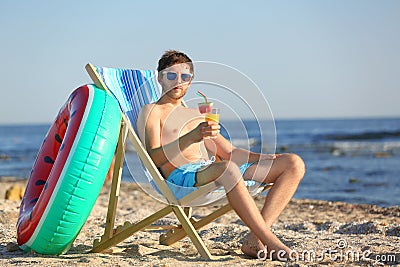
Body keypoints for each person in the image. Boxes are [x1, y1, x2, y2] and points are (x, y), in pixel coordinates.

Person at [136, 50, 305, 260]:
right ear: (160, 78)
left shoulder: (197, 114)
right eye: (171, 75)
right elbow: (155, 159)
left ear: (191, 81)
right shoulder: (151, 111)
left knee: (293, 163)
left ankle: (255, 238)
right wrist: (192, 136)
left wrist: (260, 157)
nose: (178, 81)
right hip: (181, 178)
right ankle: (271, 241)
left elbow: (229, 152)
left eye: (184, 76)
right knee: (228, 168)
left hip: (210, 170)